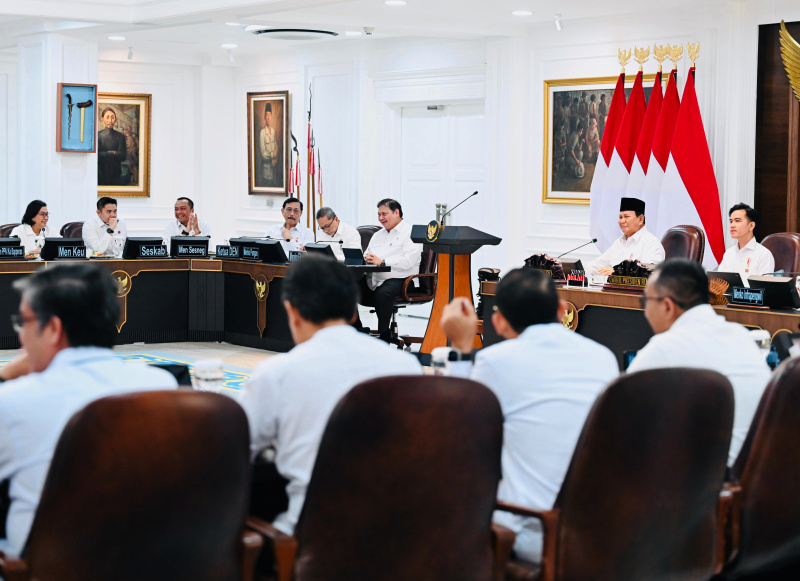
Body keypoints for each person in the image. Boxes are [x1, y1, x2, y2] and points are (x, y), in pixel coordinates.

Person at [440, 268, 619, 563]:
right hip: (599, 532)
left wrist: (461, 345)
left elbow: (459, 433)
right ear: (562, 310)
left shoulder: (495, 362)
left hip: (533, 534)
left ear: (498, 322)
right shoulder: (604, 357)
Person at [0, 263, 177, 556]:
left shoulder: (14, 401)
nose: (21, 336)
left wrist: (4, 377)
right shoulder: (161, 386)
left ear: (53, 328)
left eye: (25, 321)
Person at [238, 255, 421, 536]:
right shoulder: (407, 366)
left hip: (313, 541)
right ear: (352, 312)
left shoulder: (277, 373)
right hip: (401, 535)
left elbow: (235, 449)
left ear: (292, 311)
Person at [628, 258, 770, 465]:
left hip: (702, 485)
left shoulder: (665, 348)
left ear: (667, 306)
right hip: (753, 478)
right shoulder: (743, 337)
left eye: (645, 302)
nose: (645, 311)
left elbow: (619, 418)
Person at [354, 199, 422, 342]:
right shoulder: (377, 235)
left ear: (396, 212)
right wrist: (367, 259)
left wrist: (383, 262)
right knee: (347, 285)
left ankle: (384, 336)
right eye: (379, 214)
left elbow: (408, 261)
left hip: (402, 279)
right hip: (374, 279)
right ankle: (357, 330)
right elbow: (368, 254)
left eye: (384, 214)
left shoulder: (410, 233)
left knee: (383, 293)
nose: (380, 218)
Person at [588, 197, 665, 276]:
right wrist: (578, 270)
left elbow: (649, 272)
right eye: (620, 217)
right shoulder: (619, 242)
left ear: (641, 219)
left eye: (626, 217)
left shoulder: (651, 243)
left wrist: (617, 272)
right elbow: (598, 265)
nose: (621, 221)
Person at [717, 203, 775, 282]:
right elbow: (719, 282)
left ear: (751, 226)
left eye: (737, 221)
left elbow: (765, 288)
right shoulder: (729, 253)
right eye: (731, 221)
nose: (732, 225)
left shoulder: (764, 254)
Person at [97, 107, 127, 186]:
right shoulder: (98, 135)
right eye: (107, 117)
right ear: (102, 119)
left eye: (112, 117)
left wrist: (105, 154)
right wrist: (113, 153)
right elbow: (96, 156)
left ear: (116, 120)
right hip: (101, 172)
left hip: (116, 172)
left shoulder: (121, 137)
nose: (110, 121)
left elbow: (123, 156)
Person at [259, 103, 278, 188]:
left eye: (270, 115)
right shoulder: (262, 133)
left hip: (274, 169)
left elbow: (276, 148)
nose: (268, 117)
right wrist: (271, 155)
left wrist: (275, 159)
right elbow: (263, 153)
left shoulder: (273, 131)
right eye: (266, 115)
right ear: (264, 117)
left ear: (272, 117)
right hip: (266, 172)